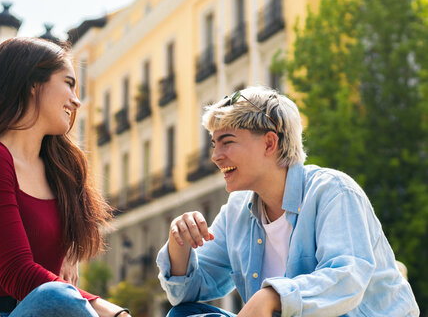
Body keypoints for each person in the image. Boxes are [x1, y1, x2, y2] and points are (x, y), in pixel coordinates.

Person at [156, 86, 419, 316]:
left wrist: (271, 296)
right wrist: (179, 242)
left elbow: (347, 279)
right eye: (214, 145)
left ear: (270, 143)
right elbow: (186, 294)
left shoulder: (333, 191)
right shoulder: (236, 210)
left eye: (227, 142)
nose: (216, 156)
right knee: (185, 314)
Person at [0, 37, 131, 317]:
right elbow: (17, 274)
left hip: (54, 309)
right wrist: (110, 312)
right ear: (33, 84)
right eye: (69, 83)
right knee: (57, 296)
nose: (77, 100)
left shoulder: (62, 171)